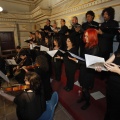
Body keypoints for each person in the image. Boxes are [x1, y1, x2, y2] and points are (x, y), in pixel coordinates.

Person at [69, 28, 99, 110]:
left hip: (89, 71)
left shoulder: (95, 48)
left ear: (92, 36)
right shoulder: (87, 45)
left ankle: (88, 102)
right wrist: (78, 58)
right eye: (84, 36)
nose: (84, 38)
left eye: (86, 36)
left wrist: (77, 60)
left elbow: (89, 63)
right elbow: (84, 58)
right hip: (83, 68)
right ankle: (83, 98)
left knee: (85, 88)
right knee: (82, 85)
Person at [95, 48, 120, 120]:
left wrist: (118, 71)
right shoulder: (118, 51)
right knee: (109, 109)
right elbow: (106, 64)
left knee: (115, 113)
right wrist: (100, 67)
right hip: (111, 85)